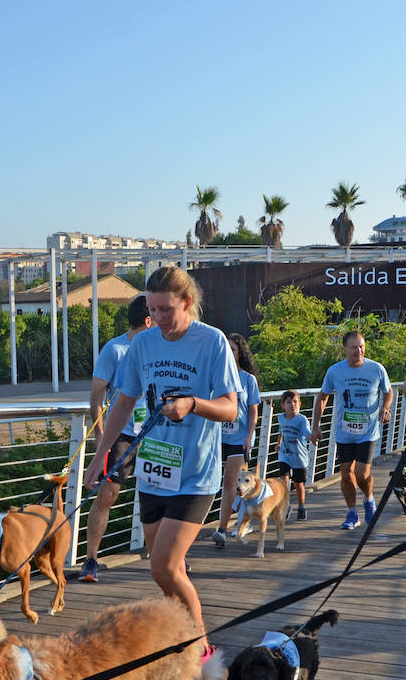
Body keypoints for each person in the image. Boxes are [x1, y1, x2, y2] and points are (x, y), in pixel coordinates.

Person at [85, 266, 239, 644]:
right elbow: (123, 403)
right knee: (163, 570)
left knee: (165, 566)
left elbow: (231, 408)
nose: (159, 319)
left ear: (187, 303)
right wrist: (100, 455)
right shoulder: (143, 344)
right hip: (155, 471)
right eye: (153, 310)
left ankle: (200, 645)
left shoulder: (212, 342)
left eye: (167, 309)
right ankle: (181, 632)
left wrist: (192, 404)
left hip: (196, 474)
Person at [79, 294, 152, 583]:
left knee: (160, 493)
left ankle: (168, 556)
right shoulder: (115, 348)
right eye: (157, 315)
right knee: (107, 495)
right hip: (121, 432)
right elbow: (97, 393)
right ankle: (90, 560)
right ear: (148, 320)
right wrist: (100, 436)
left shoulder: (158, 347)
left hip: (155, 432)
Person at [312, 331, 393, 529]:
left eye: (361, 346)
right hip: (344, 430)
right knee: (346, 474)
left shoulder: (376, 369)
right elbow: (323, 397)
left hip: (368, 430)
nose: (359, 350)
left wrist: (385, 407)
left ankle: (369, 500)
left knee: (361, 473)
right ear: (345, 349)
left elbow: (388, 391)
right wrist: (315, 426)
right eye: (354, 347)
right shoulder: (334, 371)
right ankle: (352, 514)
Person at [212, 333, 261, 546]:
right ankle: (244, 515)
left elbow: (253, 411)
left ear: (240, 353)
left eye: (233, 349)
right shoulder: (214, 376)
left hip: (238, 438)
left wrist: (249, 437)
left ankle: (222, 529)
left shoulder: (248, 380)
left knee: (230, 482)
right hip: (216, 437)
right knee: (209, 482)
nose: (229, 353)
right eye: (227, 349)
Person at [271, 389, 313, 520]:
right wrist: (278, 444)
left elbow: (307, 433)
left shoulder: (302, 420)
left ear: (300, 404)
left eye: (295, 402)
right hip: (285, 454)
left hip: (299, 456)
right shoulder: (281, 418)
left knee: (298, 484)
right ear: (283, 405)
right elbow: (281, 431)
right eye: (289, 402)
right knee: (283, 480)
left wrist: (313, 437)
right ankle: (286, 505)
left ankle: (301, 507)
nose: (292, 405)